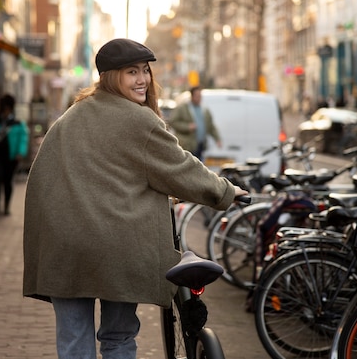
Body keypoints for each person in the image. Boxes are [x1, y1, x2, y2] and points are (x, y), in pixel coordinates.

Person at [23, 38, 247, 359]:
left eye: (145, 71)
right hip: (114, 247)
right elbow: (181, 169)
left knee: (73, 342)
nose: (142, 80)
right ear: (111, 76)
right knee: (118, 337)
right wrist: (227, 191)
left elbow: (42, 179)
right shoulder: (138, 119)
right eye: (131, 72)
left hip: (64, 247)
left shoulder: (70, 118)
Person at [169, 85, 222, 160]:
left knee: (198, 167)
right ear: (192, 96)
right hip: (187, 146)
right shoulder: (182, 108)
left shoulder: (204, 109)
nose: (199, 98)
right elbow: (173, 122)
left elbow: (211, 126)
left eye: (200, 96)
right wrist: (187, 127)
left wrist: (217, 139)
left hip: (200, 145)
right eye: (197, 96)